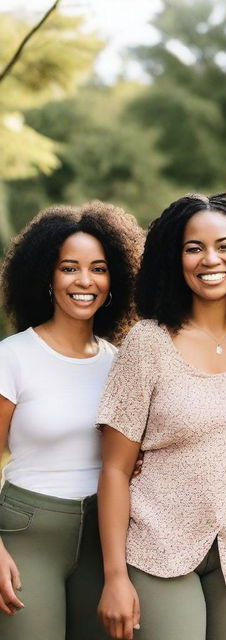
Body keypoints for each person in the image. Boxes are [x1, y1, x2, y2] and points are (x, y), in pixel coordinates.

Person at [96, 192, 226, 640]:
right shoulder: (147, 343)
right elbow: (116, 468)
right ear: (173, 259)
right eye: (193, 248)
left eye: (224, 245)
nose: (210, 259)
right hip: (158, 545)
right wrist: (115, 576)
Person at [0, 202, 143, 639]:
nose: (85, 281)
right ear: (47, 275)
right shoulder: (13, 356)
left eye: (98, 269)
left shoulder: (121, 362)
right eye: (69, 268)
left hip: (106, 540)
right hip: (29, 534)